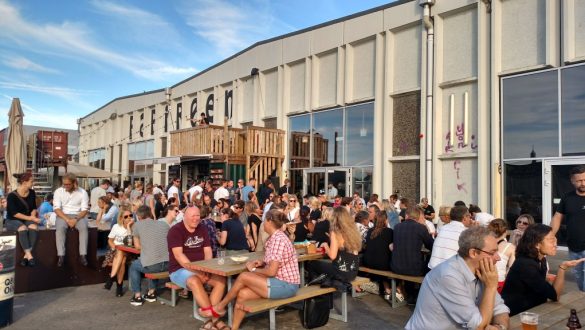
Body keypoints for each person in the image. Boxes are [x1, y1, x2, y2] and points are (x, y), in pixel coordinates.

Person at [405, 226, 510, 330]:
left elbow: (500, 309)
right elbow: (478, 326)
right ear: (473, 253)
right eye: (492, 253)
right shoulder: (449, 276)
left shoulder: (483, 272)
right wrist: (490, 287)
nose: (498, 257)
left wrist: (500, 327)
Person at [211, 210, 300, 330]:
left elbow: (271, 272)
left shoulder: (278, 240)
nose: (263, 223)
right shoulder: (276, 237)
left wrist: (253, 269)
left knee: (243, 277)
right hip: (279, 282)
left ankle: (220, 306)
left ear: (269, 221)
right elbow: (276, 261)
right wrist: (262, 262)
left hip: (287, 285)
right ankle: (234, 328)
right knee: (242, 294)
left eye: (264, 220)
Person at [502, 224, 585, 316]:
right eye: (551, 240)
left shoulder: (541, 260)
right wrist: (562, 268)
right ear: (537, 244)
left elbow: (550, 293)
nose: (555, 245)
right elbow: (555, 295)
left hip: (533, 311)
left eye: (555, 240)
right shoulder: (526, 265)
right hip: (516, 317)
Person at [167, 207, 226, 330]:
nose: (196, 219)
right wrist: (197, 272)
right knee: (194, 280)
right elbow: (179, 256)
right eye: (192, 216)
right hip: (179, 270)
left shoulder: (202, 228)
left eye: (198, 215)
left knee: (220, 281)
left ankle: (209, 320)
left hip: (201, 268)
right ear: (185, 216)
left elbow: (208, 251)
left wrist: (206, 268)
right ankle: (216, 319)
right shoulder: (175, 230)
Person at [551, 165, 585, 291]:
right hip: (573, 247)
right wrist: (550, 236)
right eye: (579, 181)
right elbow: (557, 217)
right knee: (579, 277)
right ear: (572, 181)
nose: (583, 183)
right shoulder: (567, 197)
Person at [128, 205, 170, 306]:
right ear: (150, 214)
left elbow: (137, 246)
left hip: (153, 265)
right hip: (169, 263)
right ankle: (151, 293)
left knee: (134, 265)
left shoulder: (137, 225)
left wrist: (148, 246)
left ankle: (137, 296)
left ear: (139, 216)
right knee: (150, 259)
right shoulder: (164, 224)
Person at [307, 207, 361, 284]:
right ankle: (326, 286)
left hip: (341, 272)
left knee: (312, 264)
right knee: (327, 266)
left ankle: (320, 292)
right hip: (353, 273)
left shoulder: (335, 232)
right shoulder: (353, 231)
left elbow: (332, 256)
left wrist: (325, 245)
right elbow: (354, 252)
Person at [53, 173, 90, 267]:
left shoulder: (82, 192)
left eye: (68, 184)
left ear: (74, 183)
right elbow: (57, 209)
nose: (65, 186)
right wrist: (67, 219)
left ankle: (83, 255)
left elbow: (85, 209)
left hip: (78, 215)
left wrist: (75, 219)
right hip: (63, 214)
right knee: (60, 229)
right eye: (64, 184)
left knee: (84, 227)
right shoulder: (58, 191)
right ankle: (61, 256)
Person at [6, 173, 40, 267]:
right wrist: (31, 218)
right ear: (24, 182)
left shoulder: (32, 192)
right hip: (12, 220)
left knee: (33, 226)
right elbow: (14, 213)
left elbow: (33, 207)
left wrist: (33, 215)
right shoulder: (11, 195)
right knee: (23, 228)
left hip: (27, 218)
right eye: (31, 181)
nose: (33, 182)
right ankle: (29, 255)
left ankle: (26, 256)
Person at [391, 206, 434, 276]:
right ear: (417, 216)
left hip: (396, 267)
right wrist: (427, 230)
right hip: (414, 269)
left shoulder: (397, 227)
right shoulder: (421, 228)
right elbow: (431, 246)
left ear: (406, 215)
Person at [103, 205, 134, 297]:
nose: (129, 218)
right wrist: (113, 248)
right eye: (126, 216)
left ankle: (111, 278)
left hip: (129, 251)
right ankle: (119, 286)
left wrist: (128, 228)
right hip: (115, 250)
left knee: (121, 254)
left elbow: (129, 244)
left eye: (130, 216)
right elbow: (110, 240)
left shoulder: (134, 227)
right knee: (122, 260)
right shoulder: (116, 227)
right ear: (121, 218)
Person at [362, 211, 393, 300]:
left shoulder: (370, 231)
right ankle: (391, 289)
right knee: (387, 262)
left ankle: (386, 288)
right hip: (382, 264)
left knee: (380, 259)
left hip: (368, 262)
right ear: (386, 220)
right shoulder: (389, 231)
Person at [487, 218, 516, 293]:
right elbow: (511, 271)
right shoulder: (510, 247)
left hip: (483, 281)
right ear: (505, 232)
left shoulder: (484, 243)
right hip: (499, 283)